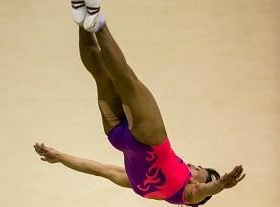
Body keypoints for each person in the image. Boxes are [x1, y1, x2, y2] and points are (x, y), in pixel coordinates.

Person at [34, 0, 245, 206]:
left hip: (147, 137)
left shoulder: (188, 193)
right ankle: (81, 17)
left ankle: (97, 22)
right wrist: (60, 157)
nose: (193, 165)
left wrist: (221, 186)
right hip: (120, 137)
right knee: (101, 75)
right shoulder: (145, 189)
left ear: (196, 185)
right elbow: (100, 170)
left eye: (199, 170)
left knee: (126, 79)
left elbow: (206, 191)